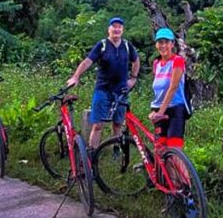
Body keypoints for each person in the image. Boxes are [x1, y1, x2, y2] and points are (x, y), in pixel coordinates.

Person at [66, 16, 139, 149]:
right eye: (114, 26)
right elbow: (88, 61)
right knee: (98, 124)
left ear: (122, 30)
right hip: (103, 89)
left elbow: (136, 60)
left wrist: (133, 78)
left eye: (119, 27)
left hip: (121, 91)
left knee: (117, 124)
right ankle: (91, 154)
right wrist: (76, 76)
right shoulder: (102, 45)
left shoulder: (127, 46)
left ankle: (116, 151)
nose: (116, 29)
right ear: (109, 29)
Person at [149, 27, 188, 149]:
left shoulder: (178, 60)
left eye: (166, 42)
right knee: (160, 149)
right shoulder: (156, 63)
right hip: (158, 108)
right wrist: (156, 111)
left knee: (174, 149)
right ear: (156, 45)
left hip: (175, 108)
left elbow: (173, 87)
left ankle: (180, 168)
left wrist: (161, 112)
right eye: (160, 42)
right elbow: (158, 88)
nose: (163, 45)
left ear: (172, 44)